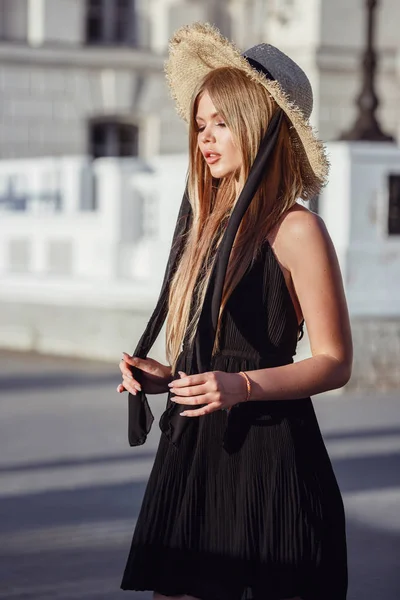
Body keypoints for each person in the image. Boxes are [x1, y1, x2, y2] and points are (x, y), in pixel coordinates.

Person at [118, 23, 352, 600]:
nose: (206, 138)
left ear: (259, 126)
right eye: (201, 125)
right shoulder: (204, 226)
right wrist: (173, 379)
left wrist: (241, 385)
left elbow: (335, 361)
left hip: (270, 461)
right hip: (192, 455)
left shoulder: (297, 229)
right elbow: (218, 356)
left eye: (223, 122)